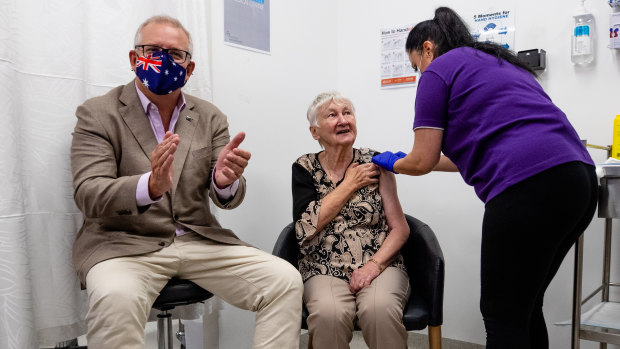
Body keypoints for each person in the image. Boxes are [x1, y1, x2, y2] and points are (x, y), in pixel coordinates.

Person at [70, 15, 303, 349]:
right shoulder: (98, 113)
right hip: (123, 244)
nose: (164, 60)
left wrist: (224, 182)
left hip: (197, 239)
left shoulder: (209, 116)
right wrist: (149, 186)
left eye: (175, 54)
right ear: (135, 59)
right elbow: (88, 192)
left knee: (284, 280)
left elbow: (228, 195)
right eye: (153, 50)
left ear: (189, 68)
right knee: (115, 299)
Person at [371, 7, 598, 349]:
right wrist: (413, 160)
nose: (419, 73)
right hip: (579, 180)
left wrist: (394, 161)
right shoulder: (499, 64)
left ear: (428, 49)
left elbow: (422, 160)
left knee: (500, 314)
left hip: (526, 186)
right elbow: (460, 157)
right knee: (523, 305)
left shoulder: (439, 71)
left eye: (415, 64)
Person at [292, 91, 411, 349]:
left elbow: (400, 228)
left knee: (379, 310)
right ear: (315, 132)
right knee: (328, 315)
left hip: (380, 264)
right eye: (332, 115)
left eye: (347, 112)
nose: (343, 119)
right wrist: (349, 185)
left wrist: (373, 266)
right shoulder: (304, 167)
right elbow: (304, 229)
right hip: (323, 266)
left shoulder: (377, 163)